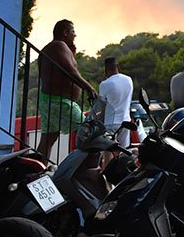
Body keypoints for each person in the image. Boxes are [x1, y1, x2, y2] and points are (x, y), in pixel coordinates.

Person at [36, 19, 96, 159]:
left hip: (50, 101)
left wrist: (72, 53)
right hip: (60, 103)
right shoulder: (58, 45)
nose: (75, 35)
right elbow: (71, 72)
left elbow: (62, 70)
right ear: (65, 32)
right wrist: (89, 88)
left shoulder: (54, 48)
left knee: (47, 140)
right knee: (89, 132)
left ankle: (36, 172)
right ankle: (79, 172)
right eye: (73, 32)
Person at [95, 56, 134, 148]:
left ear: (105, 70)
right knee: (124, 150)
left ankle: (108, 163)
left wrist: (98, 121)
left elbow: (101, 105)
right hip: (126, 121)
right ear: (117, 67)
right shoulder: (128, 80)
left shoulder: (105, 84)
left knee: (109, 150)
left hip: (111, 122)